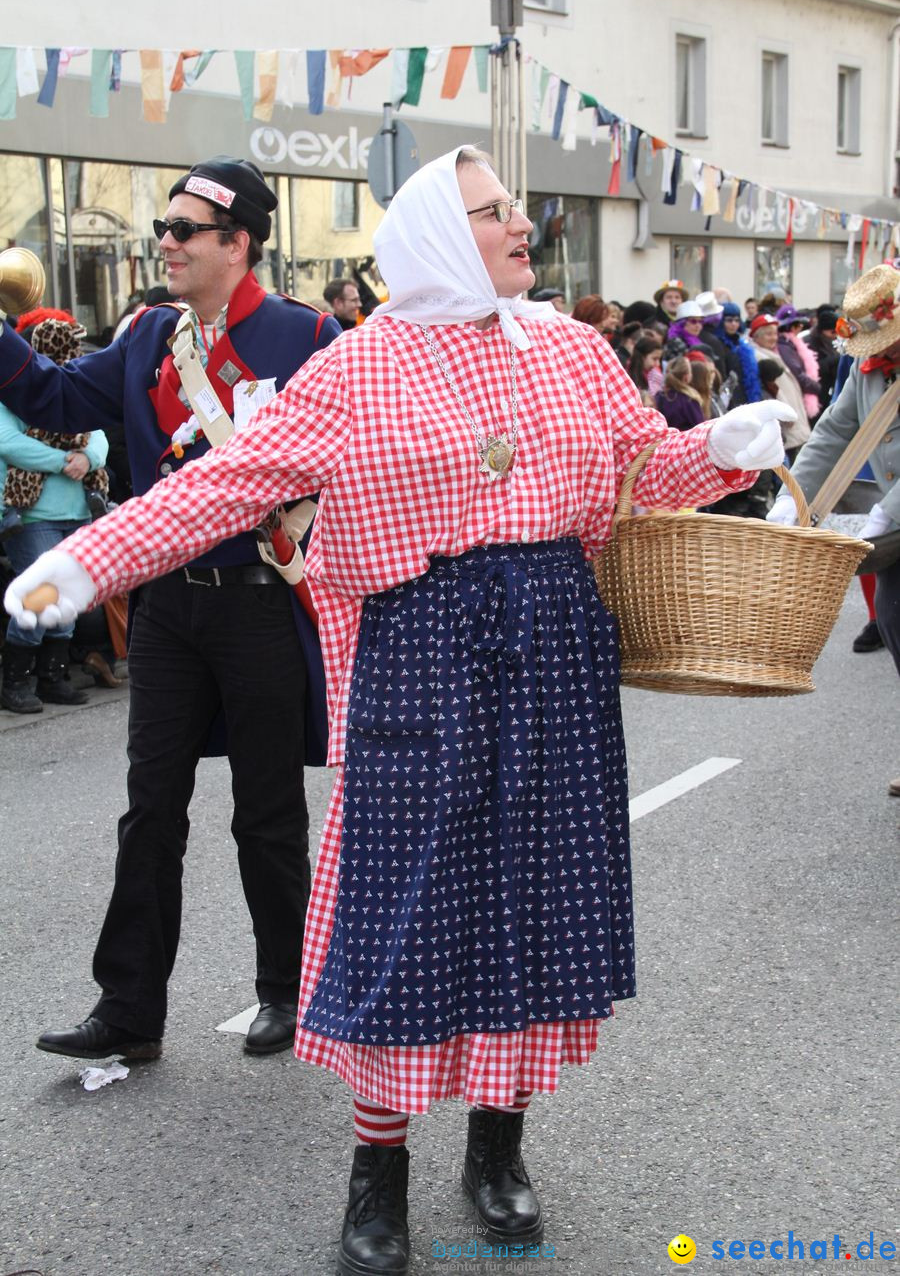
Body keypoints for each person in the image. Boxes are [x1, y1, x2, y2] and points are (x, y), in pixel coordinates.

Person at [5, 146, 794, 1276]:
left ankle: (498, 1146)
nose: (523, 225)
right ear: (434, 235)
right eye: (492, 212)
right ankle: (377, 1173)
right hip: (421, 652)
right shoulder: (357, 368)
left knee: (533, 897)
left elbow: (641, 472)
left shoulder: (572, 351)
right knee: (405, 910)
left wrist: (715, 451)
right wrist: (86, 561)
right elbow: (223, 486)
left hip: (558, 655)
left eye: (517, 208)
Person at [0, 155, 342, 1059]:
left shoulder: (306, 335)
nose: (165, 242)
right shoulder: (152, 333)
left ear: (240, 243)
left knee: (267, 813)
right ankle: (129, 1010)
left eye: (184, 229)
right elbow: (55, 396)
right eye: (164, 226)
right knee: (150, 808)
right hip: (166, 611)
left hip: (260, 602)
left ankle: (287, 988)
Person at [768, 264, 899, 794]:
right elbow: (831, 435)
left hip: (896, 510)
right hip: (896, 525)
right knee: (894, 623)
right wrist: (787, 499)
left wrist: (889, 508)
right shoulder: (872, 367)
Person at [0, 315, 108, 713]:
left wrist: (87, 457)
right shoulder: (12, 392)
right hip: (33, 516)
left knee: (68, 598)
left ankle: (52, 677)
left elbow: (99, 436)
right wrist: (66, 459)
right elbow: (8, 442)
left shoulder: (70, 387)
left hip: (77, 509)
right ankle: (15, 682)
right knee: (38, 597)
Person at [748, 313, 811, 461]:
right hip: (788, 425)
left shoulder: (771, 353)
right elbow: (775, 390)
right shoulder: (760, 357)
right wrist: (788, 417)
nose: (773, 338)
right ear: (756, 337)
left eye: (775, 333)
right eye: (768, 334)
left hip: (793, 422)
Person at [655, 354, 706, 429]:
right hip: (686, 439)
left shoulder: (659, 396)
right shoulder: (689, 400)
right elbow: (700, 428)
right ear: (686, 376)